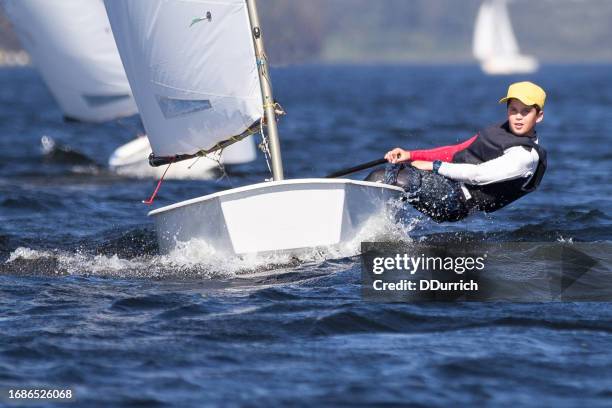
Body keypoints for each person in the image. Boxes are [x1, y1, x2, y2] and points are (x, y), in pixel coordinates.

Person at [366, 81, 548, 222]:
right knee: (386, 173)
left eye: (526, 112)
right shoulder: (501, 130)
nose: (518, 117)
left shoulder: (524, 156)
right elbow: (456, 151)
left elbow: (478, 175)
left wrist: (434, 166)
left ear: (538, 116)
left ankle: (357, 232)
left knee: (385, 178)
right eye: (513, 110)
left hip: (458, 202)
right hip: (447, 181)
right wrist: (410, 155)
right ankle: (371, 229)